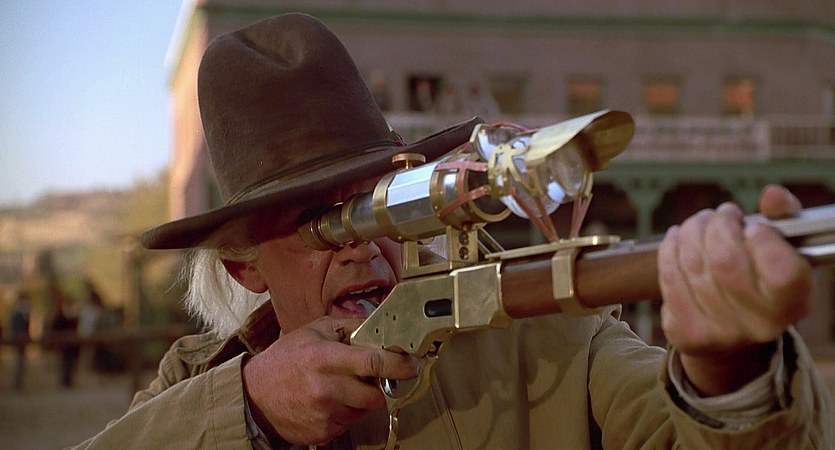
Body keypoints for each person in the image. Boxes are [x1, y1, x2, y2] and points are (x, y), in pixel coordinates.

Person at [73, 13, 831, 449]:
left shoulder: (546, 336)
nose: (361, 242)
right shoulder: (193, 385)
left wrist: (728, 369)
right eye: (318, 223)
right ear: (246, 268)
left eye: (376, 203)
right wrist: (250, 411)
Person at [7, 291, 31, 391]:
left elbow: (27, 327)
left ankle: (19, 382)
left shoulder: (25, 313)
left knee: (21, 362)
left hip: (23, 340)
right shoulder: (15, 313)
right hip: (17, 340)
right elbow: (12, 327)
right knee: (18, 362)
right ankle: (16, 383)